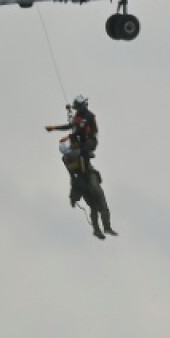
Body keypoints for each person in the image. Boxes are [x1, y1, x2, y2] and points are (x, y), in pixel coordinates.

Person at [46, 94, 116, 239]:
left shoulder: (75, 149)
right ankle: (100, 229)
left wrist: (59, 130)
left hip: (85, 176)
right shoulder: (71, 155)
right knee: (96, 205)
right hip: (82, 178)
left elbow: (76, 129)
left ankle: (105, 228)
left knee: (98, 204)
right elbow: (75, 128)